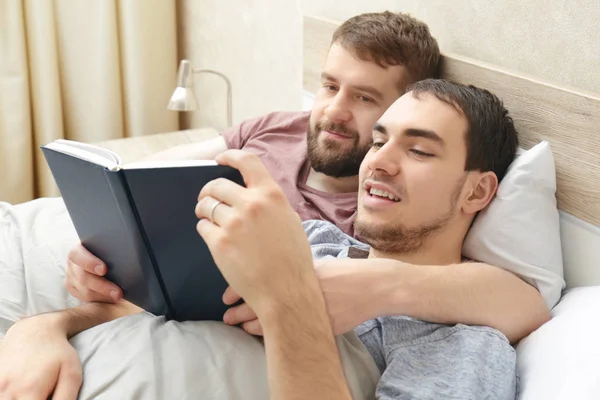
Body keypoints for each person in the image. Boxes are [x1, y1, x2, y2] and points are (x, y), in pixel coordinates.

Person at [0, 10, 547, 398]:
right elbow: (149, 307)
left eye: (419, 149)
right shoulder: (314, 240)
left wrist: (294, 302)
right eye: (378, 140)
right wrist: (41, 329)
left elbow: (528, 301)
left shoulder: (466, 342)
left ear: (478, 190)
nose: (377, 162)